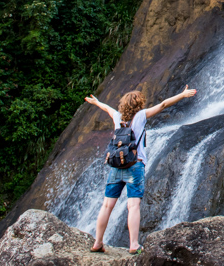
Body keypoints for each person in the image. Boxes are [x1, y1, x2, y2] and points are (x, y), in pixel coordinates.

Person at [84, 85, 197, 254]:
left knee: (107, 205)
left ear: (123, 105)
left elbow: (107, 108)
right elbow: (163, 104)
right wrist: (182, 95)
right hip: (135, 165)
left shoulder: (117, 116)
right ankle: (134, 245)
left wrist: (96, 102)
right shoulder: (141, 116)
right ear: (138, 104)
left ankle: (97, 242)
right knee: (133, 205)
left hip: (117, 165)